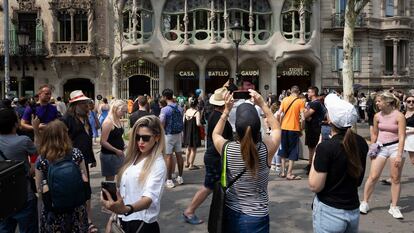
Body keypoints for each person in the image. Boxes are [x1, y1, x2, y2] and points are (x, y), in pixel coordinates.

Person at [212, 89, 281, 233]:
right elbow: (276, 128)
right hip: (258, 216)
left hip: (232, 212)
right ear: (258, 129)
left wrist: (226, 111)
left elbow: (215, 133)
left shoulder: (227, 149)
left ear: (236, 127)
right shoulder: (266, 149)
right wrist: (263, 104)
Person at [309, 94, 368, 233]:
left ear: (330, 120)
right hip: (353, 208)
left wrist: (317, 152)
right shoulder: (361, 142)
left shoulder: (326, 147)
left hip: (329, 211)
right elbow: (358, 180)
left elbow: (314, 185)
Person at [101, 115, 167, 233]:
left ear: (157, 138)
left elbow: (149, 198)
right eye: (137, 137)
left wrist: (126, 209)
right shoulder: (133, 156)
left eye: (145, 138)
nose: (140, 142)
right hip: (123, 220)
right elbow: (124, 191)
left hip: (142, 223)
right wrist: (114, 215)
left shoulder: (158, 164)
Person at [183, 87, 233, 224]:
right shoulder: (218, 117)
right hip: (215, 157)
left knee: (220, 185)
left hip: (215, 156)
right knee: (208, 186)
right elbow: (220, 138)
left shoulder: (216, 114)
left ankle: (226, 212)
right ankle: (189, 211)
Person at [34, 120, 89, 232]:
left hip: (53, 208)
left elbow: (39, 189)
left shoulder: (42, 159)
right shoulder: (76, 153)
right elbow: (85, 179)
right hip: (76, 206)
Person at [360, 91, 407, 219]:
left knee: (395, 178)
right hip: (380, 147)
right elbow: (374, 134)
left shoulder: (399, 116)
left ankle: (394, 207)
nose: (377, 103)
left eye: (379, 101)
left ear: (387, 102)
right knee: (373, 176)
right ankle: (365, 202)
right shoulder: (377, 116)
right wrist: (372, 148)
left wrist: (399, 154)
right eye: (377, 101)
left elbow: (402, 136)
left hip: (395, 147)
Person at [61, 90, 97, 232]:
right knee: (77, 191)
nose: (87, 105)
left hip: (84, 160)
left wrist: (92, 157)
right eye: (83, 103)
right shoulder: (66, 120)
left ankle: (87, 221)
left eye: (87, 102)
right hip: (72, 163)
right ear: (75, 105)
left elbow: (87, 140)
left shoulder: (85, 118)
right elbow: (62, 141)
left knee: (86, 191)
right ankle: (79, 221)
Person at [0, 108, 38, 233]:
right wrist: (36, 130)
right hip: (23, 195)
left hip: (2, 197)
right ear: (15, 124)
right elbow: (37, 153)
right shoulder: (23, 141)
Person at [277, 85, 305, 180]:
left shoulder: (284, 100)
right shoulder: (300, 102)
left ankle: (283, 172)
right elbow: (303, 118)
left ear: (291, 91)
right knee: (293, 150)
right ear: (299, 92)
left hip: (284, 127)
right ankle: (289, 173)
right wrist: (302, 128)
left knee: (283, 148)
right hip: (294, 128)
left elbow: (279, 113)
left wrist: (279, 124)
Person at [159, 88, 185, 188]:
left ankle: (169, 180)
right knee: (179, 155)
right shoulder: (179, 107)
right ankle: (180, 177)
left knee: (168, 156)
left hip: (168, 135)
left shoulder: (165, 109)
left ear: (165, 97)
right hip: (178, 134)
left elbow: (162, 123)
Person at [100, 100, 128, 181]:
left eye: (125, 111)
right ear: (116, 109)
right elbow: (103, 141)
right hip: (109, 156)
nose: (124, 113)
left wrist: (123, 144)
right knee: (110, 181)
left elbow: (117, 136)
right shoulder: (108, 122)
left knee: (122, 177)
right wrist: (116, 150)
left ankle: (117, 193)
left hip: (118, 154)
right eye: (123, 111)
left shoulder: (118, 119)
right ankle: (108, 194)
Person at [303, 86, 325, 175]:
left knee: (314, 147)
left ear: (313, 93)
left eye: (309, 92)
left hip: (314, 128)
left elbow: (305, 115)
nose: (308, 94)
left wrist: (304, 113)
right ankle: (310, 164)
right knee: (310, 147)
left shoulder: (315, 103)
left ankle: (313, 166)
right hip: (310, 127)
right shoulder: (311, 103)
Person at [183, 97, 202, 170]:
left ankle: (186, 163)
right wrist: (202, 125)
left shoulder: (186, 111)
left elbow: (183, 121)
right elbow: (198, 123)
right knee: (194, 149)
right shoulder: (197, 112)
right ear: (197, 104)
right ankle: (191, 165)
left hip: (187, 132)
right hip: (194, 132)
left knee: (188, 148)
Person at [404, 94, 414, 165]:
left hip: (412, 138)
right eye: (409, 101)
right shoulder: (402, 113)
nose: (411, 103)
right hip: (403, 138)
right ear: (405, 103)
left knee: (413, 160)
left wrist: (407, 131)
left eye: (413, 101)